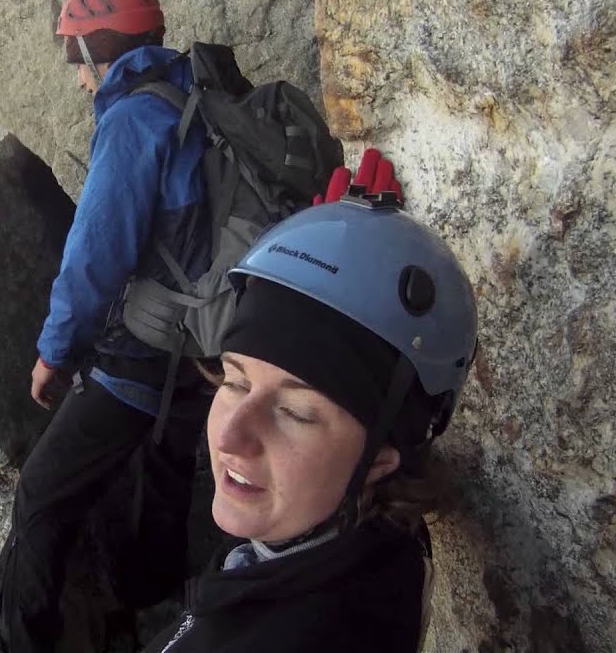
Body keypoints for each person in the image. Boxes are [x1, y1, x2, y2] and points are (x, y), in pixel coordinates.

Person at [0, 0, 216, 653]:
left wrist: (55, 354)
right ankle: (150, 622)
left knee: (43, 496)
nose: (77, 80)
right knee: (165, 493)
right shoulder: (194, 98)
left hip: (145, 358)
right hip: (205, 352)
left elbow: (94, 257)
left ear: (96, 52)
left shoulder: (132, 120)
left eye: (74, 61)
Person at [142, 180, 479, 652]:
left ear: (382, 459)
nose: (230, 437)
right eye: (235, 381)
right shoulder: (378, 549)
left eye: (295, 412)